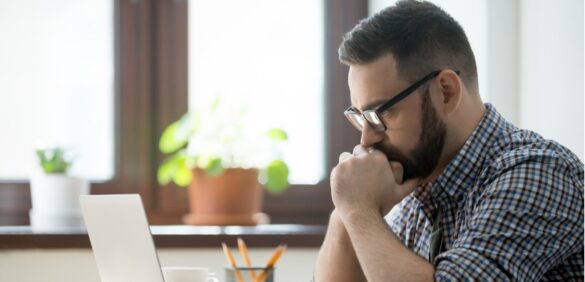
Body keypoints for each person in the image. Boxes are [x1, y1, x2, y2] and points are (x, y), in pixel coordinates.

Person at [314, 1, 584, 281]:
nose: (367, 138)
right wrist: (346, 211)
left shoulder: (537, 174)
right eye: (361, 117)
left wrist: (360, 210)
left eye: (382, 113)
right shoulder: (417, 193)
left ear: (445, 92)